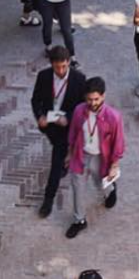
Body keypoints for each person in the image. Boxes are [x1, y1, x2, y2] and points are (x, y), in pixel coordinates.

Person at [30, 45, 87, 218]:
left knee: (56, 159)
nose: (61, 71)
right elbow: (35, 100)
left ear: (69, 62)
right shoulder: (44, 76)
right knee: (58, 148)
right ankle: (64, 161)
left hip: (66, 125)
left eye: (64, 66)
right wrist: (39, 116)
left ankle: (48, 200)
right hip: (49, 124)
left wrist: (68, 118)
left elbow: (82, 106)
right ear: (51, 64)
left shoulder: (79, 79)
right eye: (57, 67)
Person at [65, 77, 125, 240]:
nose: (92, 103)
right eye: (89, 99)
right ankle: (79, 220)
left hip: (101, 157)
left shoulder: (114, 117)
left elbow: (118, 143)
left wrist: (114, 164)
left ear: (103, 96)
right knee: (77, 187)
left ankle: (110, 190)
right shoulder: (79, 111)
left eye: (96, 99)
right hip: (81, 155)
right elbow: (73, 133)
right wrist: (70, 154)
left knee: (100, 184)